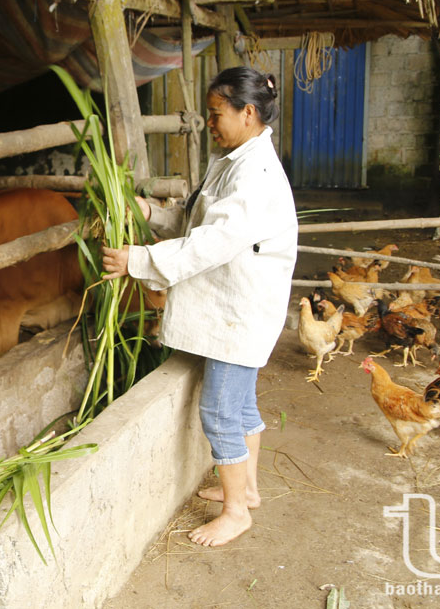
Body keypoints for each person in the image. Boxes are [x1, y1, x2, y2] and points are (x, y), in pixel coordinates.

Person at [101, 67, 297, 547]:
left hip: (240, 309)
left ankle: (235, 513)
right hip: (235, 304)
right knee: (242, 405)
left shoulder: (255, 173)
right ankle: (246, 490)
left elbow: (211, 243)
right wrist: (152, 214)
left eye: (216, 114)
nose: (210, 123)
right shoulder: (232, 158)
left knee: (220, 410)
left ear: (247, 113)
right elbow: (197, 219)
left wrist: (137, 261)